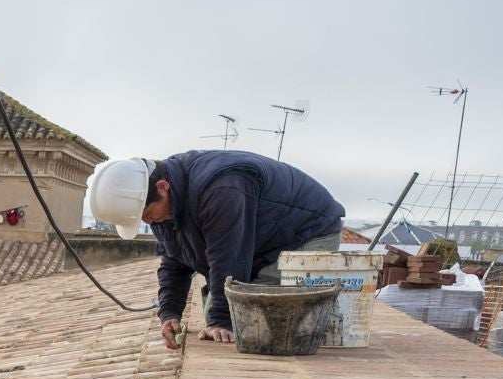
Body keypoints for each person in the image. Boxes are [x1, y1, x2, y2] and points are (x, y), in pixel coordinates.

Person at [88, 150, 344, 350]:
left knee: (252, 318)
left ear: (162, 187)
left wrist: (221, 319)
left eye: (147, 215)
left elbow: (230, 255)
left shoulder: (222, 187)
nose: (148, 223)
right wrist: (169, 313)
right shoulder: (162, 208)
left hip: (307, 237)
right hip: (258, 248)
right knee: (226, 315)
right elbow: (173, 263)